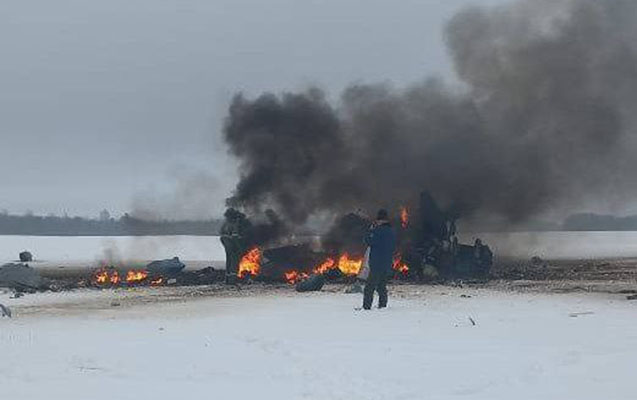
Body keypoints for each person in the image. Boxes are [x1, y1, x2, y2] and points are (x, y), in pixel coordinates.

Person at [362, 209, 396, 310]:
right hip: (387, 263)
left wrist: (371, 230)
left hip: (377, 263)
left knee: (369, 287)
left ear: (380, 220)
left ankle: (366, 307)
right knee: (381, 286)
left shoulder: (377, 231)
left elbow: (368, 241)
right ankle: (383, 306)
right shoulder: (392, 231)